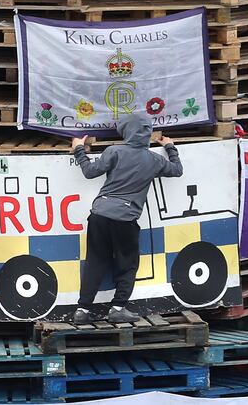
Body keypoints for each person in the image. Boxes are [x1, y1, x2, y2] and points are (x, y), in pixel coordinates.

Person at [71, 112, 183, 324]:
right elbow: (177, 170)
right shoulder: (155, 160)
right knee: (127, 264)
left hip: (99, 214)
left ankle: (82, 310)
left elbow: (89, 172)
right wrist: (170, 146)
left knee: (95, 261)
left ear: (125, 131)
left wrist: (79, 148)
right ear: (148, 133)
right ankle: (118, 308)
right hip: (125, 218)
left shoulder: (114, 151)